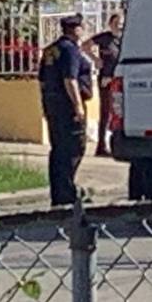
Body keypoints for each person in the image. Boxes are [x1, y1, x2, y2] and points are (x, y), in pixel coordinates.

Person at [38, 14, 88, 206]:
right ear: (75, 29)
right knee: (74, 148)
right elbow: (70, 80)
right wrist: (78, 107)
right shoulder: (70, 50)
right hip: (67, 107)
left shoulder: (51, 50)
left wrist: (45, 104)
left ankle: (58, 193)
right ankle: (67, 191)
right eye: (81, 27)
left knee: (58, 149)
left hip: (53, 104)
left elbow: (42, 81)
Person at [87, 12, 124, 156]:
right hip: (106, 79)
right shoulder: (105, 38)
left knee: (120, 113)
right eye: (116, 23)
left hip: (121, 79)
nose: (118, 26)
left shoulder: (126, 38)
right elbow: (85, 45)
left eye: (120, 23)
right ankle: (101, 145)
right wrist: (95, 59)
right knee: (106, 112)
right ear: (110, 24)